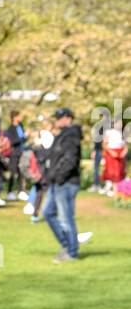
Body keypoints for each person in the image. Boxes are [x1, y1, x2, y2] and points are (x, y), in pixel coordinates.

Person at [42, 109, 90, 262]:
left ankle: (71, 251)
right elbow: (53, 156)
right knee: (48, 213)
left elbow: (70, 160)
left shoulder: (71, 136)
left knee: (65, 218)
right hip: (58, 181)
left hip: (66, 182)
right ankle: (67, 244)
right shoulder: (62, 135)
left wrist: (59, 177)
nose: (56, 120)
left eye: (59, 117)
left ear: (68, 118)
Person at [22, 128, 52, 221]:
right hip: (43, 174)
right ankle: (47, 214)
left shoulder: (35, 147)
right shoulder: (42, 149)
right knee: (48, 194)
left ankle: (35, 215)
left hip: (37, 175)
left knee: (39, 194)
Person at [5, 111, 28, 199]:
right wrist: (22, 137)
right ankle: (10, 192)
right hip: (14, 153)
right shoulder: (10, 128)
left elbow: (23, 140)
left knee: (21, 172)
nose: (20, 118)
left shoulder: (20, 126)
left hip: (22, 152)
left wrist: (25, 137)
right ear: (14, 117)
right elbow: (12, 141)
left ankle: (21, 191)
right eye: (19, 116)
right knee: (13, 172)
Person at [101, 125, 127, 196]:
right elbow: (104, 144)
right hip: (111, 155)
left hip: (120, 155)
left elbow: (125, 145)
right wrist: (111, 152)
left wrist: (124, 152)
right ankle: (114, 190)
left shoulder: (122, 133)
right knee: (112, 173)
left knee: (119, 172)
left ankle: (118, 191)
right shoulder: (109, 132)